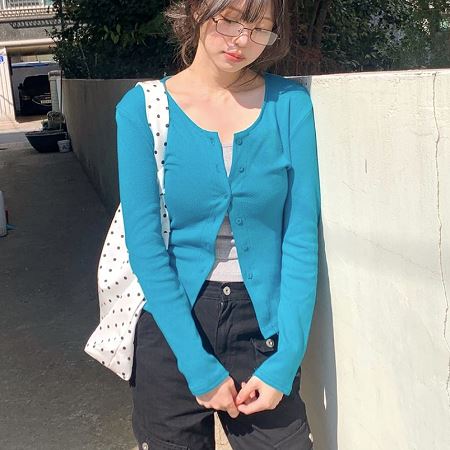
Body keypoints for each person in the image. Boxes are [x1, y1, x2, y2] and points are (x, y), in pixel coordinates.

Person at [115, 0, 321, 448]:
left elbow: (301, 238)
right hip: (173, 325)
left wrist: (286, 360)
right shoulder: (141, 110)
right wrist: (197, 364)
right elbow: (146, 248)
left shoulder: (289, 106)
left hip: (263, 330)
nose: (243, 40)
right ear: (196, 10)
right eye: (230, 20)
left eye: (260, 29)